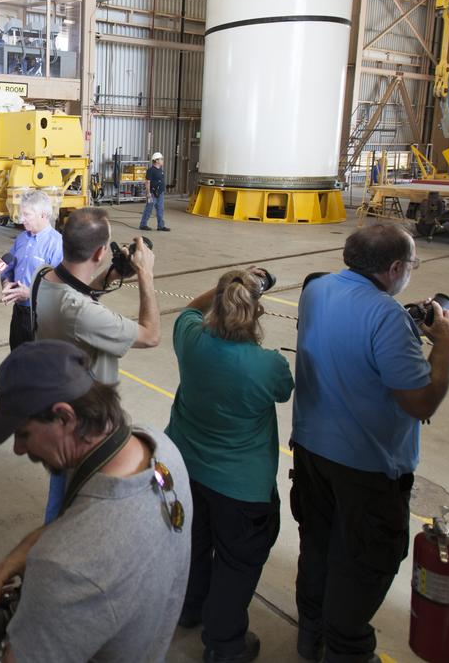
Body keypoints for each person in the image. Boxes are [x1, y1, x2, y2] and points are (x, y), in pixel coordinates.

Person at [291, 224, 449, 662]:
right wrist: (445, 348)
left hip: (312, 452)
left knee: (318, 545)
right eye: (411, 265)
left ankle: (310, 635)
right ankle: (347, 650)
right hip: (366, 470)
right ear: (394, 268)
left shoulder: (317, 289)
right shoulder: (386, 318)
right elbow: (419, 400)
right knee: (365, 563)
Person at [0, 340, 192, 663]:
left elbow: (74, 548)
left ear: (65, 417)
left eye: (23, 433)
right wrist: (15, 558)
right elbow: (83, 520)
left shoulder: (63, 568)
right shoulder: (161, 451)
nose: (18, 449)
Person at [165, 268, 294, 663]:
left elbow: (189, 309)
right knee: (237, 564)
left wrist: (228, 286)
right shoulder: (267, 365)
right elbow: (284, 392)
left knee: (195, 542)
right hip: (241, 486)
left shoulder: (191, 339)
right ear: (256, 314)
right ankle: (224, 644)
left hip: (187, 469)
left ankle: (188, 609)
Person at [31, 206, 160, 520]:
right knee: (77, 506)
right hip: (85, 425)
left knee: (61, 488)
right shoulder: (79, 312)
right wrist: (146, 274)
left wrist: (112, 275)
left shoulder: (43, 278)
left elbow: (78, 288)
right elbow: (150, 335)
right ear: (101, 251)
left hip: (56, 405)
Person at [0, 189, 63, 350]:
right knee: (17, 357)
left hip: (42, 317)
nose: (22, 219)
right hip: (19, 314)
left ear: (43, 215)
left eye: (27, 215)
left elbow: (62, 289)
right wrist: (6, 283)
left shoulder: (57, 245)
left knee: (38, 365)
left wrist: (30, 293)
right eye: (21, 214)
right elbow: (8, 268)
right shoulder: (21, 238)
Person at [138, 152, 170, 231]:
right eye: (161, 159)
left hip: (160, 193)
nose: (162, 160)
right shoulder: (150, 170)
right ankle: (143, 225)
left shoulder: (161, 170)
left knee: (160, 209)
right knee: (149, 208)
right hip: (152, 193)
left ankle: (161, 226)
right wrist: (148, 193)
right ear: (156, 161)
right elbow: (147, 182)